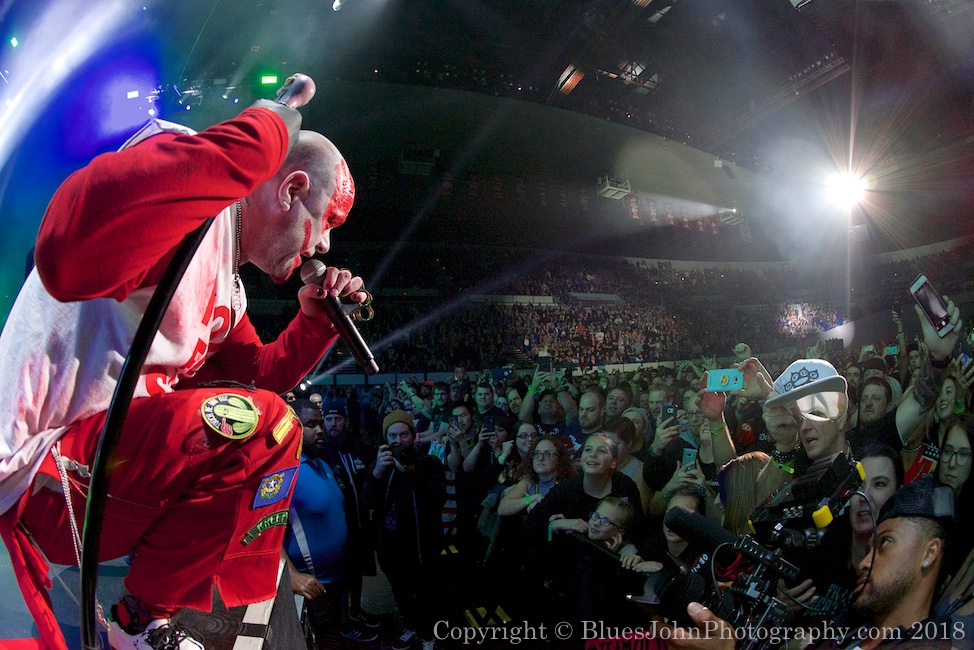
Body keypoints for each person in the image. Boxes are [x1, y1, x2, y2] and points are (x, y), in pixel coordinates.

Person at [0, 75, 370, 650]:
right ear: (292, 187)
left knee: (261, 422)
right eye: (327, 223)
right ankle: (145, 618)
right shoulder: (188, 189)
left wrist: (316, 321)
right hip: (44, 470)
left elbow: (254, 382)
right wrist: (260, 134)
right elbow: (67, 255)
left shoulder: (229, 288)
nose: (323, 247)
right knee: (270, 425)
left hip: (96, 473)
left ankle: (143, 618)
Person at [363, 410, 446, 650]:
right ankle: (411, 627)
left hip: (423, 546)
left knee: (426, 593)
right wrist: (377, 472)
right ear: (385, 439)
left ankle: (428, 634)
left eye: (404, 434)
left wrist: (413, 472)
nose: (399, 441)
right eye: (393, 435)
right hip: (391, 546)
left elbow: (438, 497)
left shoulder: (429, 463)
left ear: (414, 435)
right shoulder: (381, 465)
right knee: (401, 592)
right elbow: (367, 502)